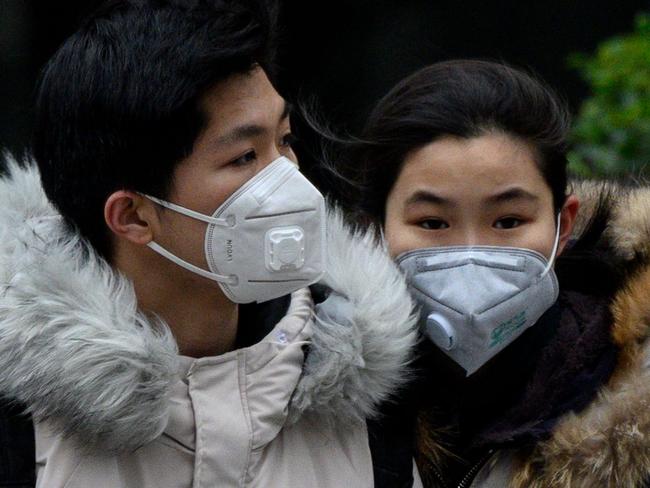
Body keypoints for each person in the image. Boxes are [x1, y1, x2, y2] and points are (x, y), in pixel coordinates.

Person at [0, 1, 421, 486]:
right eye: (244, 157)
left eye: (284, 140)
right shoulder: (24, 420)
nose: (288, 180)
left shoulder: (361, 393)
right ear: (133, 215)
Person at [343, 59, 650, 487]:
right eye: (432, 223)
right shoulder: (323, 408)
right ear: (376, 231)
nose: (471, 257)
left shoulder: (633, 398)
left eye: (508, 221)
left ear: (564, 226)